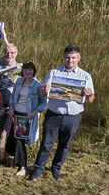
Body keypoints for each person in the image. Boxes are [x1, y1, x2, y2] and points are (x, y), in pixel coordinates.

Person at [30, 45, 96, 181]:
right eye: (67, 57)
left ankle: (56, 169)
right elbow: (42, 92)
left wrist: (89, 94)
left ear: (79, 58)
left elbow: (91, 100)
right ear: (64, 57)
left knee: (64, 145)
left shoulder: (85, 76)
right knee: (46, 144)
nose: (70, 60)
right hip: (53, 114)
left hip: (73, 117)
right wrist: (44, 89)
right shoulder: (54, 72)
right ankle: (38, 169)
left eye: (73, 58)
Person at [9, 62, 47, 177]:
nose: (27, 72)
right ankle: (16, 161)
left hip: (27, 115)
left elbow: (44, 102)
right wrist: (11, 107)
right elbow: (13, 95)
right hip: (16, 113)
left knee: (21, 141)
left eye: (30, 70)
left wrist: (35, 112)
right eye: (26, 69)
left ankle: (23, 166)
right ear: (22, 71)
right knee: (15, 139)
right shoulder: (19, 82)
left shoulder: (37, 85)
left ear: (34, 71)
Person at [0, 44, 21, 159]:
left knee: (9, 133)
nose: (9, 54)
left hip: (14, 106)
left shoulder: (20, 69)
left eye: (12, 52)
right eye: (7, 52)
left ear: (16, 53)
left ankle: (7, 156)